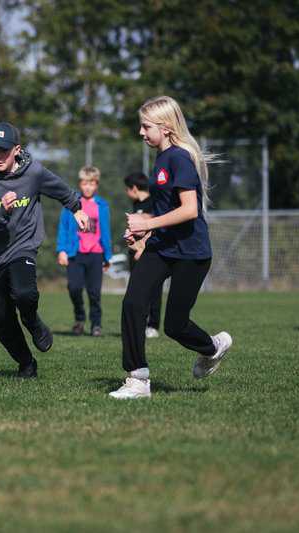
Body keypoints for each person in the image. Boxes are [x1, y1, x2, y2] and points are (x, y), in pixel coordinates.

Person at [110, 95, 232, 399]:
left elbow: (190, 210)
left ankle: (213, 347)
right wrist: (143, 234)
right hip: (163, 247)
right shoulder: (161, 158)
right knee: (133, 303)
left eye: (145, 126)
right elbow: (167, 212)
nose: (140, 132)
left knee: (175, 326)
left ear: (165, 127)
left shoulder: (178, 157)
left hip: (191, 254)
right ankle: (137, 379)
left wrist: (146, 224)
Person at [0, 121, 88, 378]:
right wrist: (1, 210)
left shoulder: (33, 172)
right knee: (0, 320)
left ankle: (32, 321)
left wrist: (76, 208)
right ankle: (26, 362)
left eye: (3, 149)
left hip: (22, 246)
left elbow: (60, 189)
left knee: (24, 294)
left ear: (17, 149)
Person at [56, 166, 112, 337]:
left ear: (97, 185)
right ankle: (79, 319)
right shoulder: (71, 203)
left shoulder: (102, 205)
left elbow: (106, 231)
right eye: (85, 183)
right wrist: (62, 250)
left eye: (92, 184)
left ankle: (96, 325)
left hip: (96, 253)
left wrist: (107, 256)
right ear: (80, 184)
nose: (88, 187)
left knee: (94, 292)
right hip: (75, 252)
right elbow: (63, 228)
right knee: (74, 288)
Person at [123, 172, 163, 338]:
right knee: (137, 289)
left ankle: (153, 325)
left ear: (133, 188)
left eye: (127, 189)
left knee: (154, 289)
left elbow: (156, 226)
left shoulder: (154, 203)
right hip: (135, 253)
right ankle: (140, 322)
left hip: (150, 252)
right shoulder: (135, 204)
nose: (126, 192)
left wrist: (144, 247)